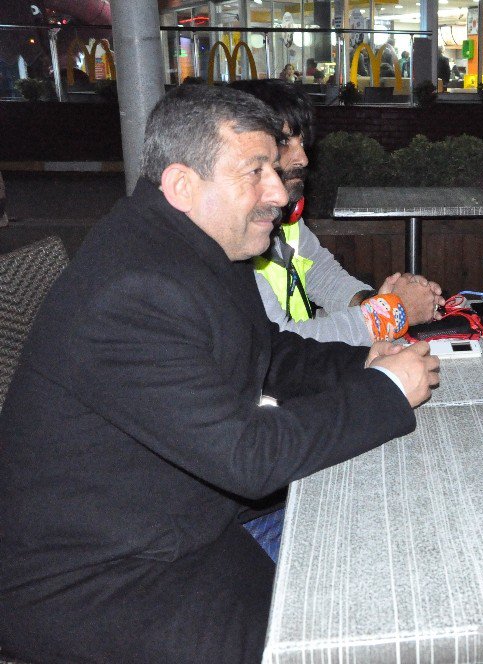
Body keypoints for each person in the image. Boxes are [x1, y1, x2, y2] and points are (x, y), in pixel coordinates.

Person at [0, 84, 440, 664]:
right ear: (183, 185)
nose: (279, 192)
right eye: (256, 172)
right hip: (97, 584)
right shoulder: (135, 289)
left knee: (387, 558)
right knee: (351, 632)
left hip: (176, 531)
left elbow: (270, 355)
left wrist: (362, 360)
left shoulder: (197, 245)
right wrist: (383, 391)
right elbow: (247, 458)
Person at [230, 79, 444, 346]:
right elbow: (279, 345)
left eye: (303, 141)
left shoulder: (285, 221)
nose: (303, 159)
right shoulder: (230, 236)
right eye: (284, 141)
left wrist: (378, 301)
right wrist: (391, 313)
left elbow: (324, 278)